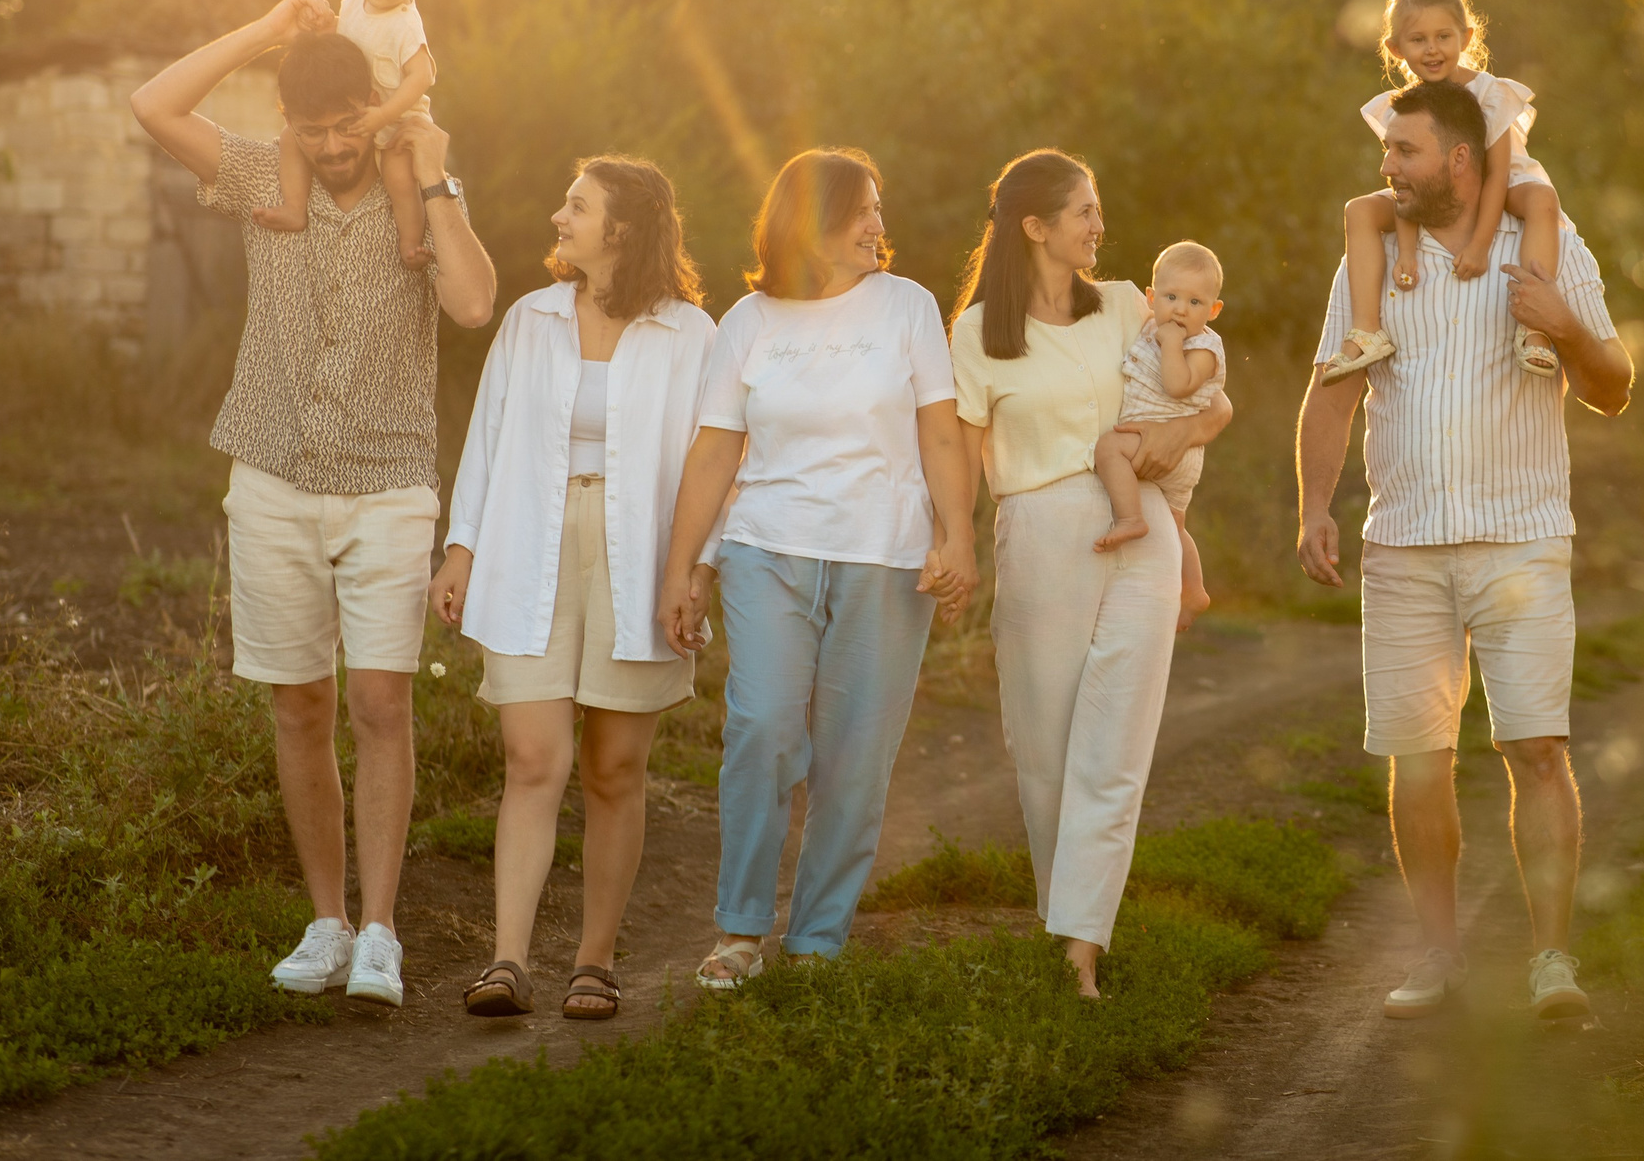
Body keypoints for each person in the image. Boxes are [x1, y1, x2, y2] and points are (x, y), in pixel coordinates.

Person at [129, 0, 498, 1009]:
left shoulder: (411, 187)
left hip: (388, 483)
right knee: (300, 704)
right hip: (274, 479)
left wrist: (435, 168)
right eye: (315, 128)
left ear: (375, 109)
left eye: (349, 123)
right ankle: (327, 922)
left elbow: (471, 303)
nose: (334, 147)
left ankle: (381, 931)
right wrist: (262, 33)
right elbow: (152, 103)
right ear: (289, 122)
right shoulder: (259, 173)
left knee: (382, 705)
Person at [1294, 78, 1632, 1022]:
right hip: (1401, 547)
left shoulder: (1548, 249)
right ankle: (1439, 955)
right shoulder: (1368, 268)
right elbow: (1332, 388)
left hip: (1522, 539)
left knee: (1537, 747)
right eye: (1386, 151)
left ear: (1457, 159)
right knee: (1418, 759)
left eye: (1403, 152)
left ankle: (1552, 960)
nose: (1385, 167)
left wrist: (1563, 328)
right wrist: (1315, 505)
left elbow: (1615, 385)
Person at [656, 148, 978, 989]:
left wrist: (958, 536)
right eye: (864, 209)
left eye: (880, 207)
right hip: (769, 545)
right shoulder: (749, 321)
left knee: (855, 754)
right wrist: (685, 564)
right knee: (762, 728)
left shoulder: (906, 306)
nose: (880, 223)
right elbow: (715, 449)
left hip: (886, 554)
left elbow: (942, 431)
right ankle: (739, 931)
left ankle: (817, 940)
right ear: (814, 220)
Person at [431, 157, 714, 1021]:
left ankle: (594, 963)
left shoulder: (692, 334)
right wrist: (461, 546)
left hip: (641, 556)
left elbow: (719, 463)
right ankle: (507, 960)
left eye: (578, 206)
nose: (559, 216)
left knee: (614, 768)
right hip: (528, 543)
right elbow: (486, 436)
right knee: (533, 758)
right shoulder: (531, 318)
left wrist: (698, 571)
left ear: (622, 228)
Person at [948, 150, 1235, 999]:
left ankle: (1081, 948)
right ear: (1035, 226)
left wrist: (1192, 447)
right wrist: (954, 543)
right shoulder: (975, 334)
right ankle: (1058, 910)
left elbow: (1205, 393)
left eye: (1098, 208)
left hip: (1135, 522)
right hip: (1038, 531)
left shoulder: (1123, 305)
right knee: (1044, 748)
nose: (1098, 225)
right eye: (1083, 210)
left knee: (1116, 746)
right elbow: (962, 455)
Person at [1323, 0, 1573, 386]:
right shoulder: (1404, 106)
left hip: (1502, 185)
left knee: (1543, 200)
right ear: (1395, 49)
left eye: (1443, 36)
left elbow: (1495, 177)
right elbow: (1405, 185)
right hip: (1438, 193)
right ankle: (1368, 331)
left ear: (1467, 36)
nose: (1433, 49)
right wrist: (1406, 252)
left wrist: (1479, 246)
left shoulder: (1490, 94)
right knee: (1361, 209)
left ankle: (1536, 330)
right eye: (1418, 40)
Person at [256, 0, 442, 270]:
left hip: (397, 117)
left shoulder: (405, 25)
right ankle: (295, 209)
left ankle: (410, 244)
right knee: (291, 137)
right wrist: (330, 25)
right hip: (358, 108)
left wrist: (385, 116)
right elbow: (355, 37)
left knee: (398, 176)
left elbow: (421, 77)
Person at [1091, 239, 1226, 631]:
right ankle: (1194, 590)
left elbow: (1178, 385)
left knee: (1108, 448)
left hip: (1176, 449)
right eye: (1171, 297)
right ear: (1151, 298)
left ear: (1213, 310)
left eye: (1195, 302)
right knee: (1177, 525)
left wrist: (1170, 344)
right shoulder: (1147, 325)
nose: (1181, 309)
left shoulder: (1204, 347)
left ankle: (1130, 518)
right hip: (1163, 444)